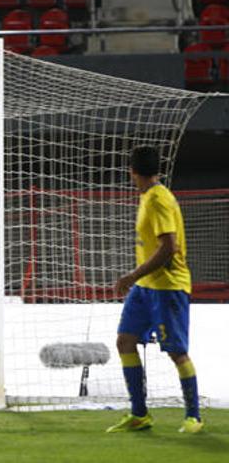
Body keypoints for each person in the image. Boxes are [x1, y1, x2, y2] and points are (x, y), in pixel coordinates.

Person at [106, 146, 203, 434]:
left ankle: (194, 416)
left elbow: (169, 247)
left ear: (132, 171)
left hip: (168, 286)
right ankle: (139, 414)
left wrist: (131, 275)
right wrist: (137, 280)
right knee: (125, 341)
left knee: (177, 352)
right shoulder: (149, 196)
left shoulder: (159, 199)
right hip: (145, 287)